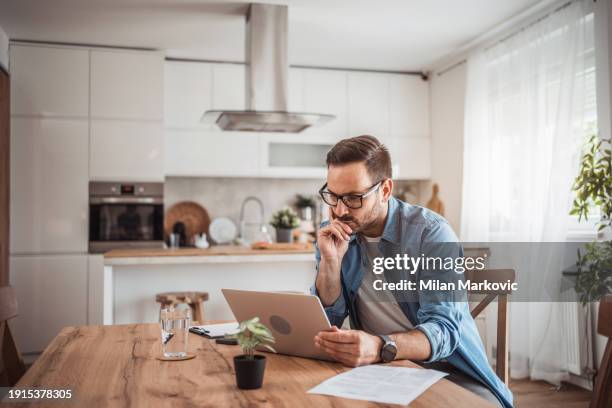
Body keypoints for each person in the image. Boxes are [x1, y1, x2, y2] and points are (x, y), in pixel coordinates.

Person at [311, 135, 513, 407]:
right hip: (378, 374)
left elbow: (443, 331)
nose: (340, 209)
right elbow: (328, 322)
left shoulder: (431, 234)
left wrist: (380, 346)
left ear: (385, 190)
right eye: (333, 196)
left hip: (449, 373)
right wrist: (330, 264)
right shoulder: (334, 233)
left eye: (353, 198)